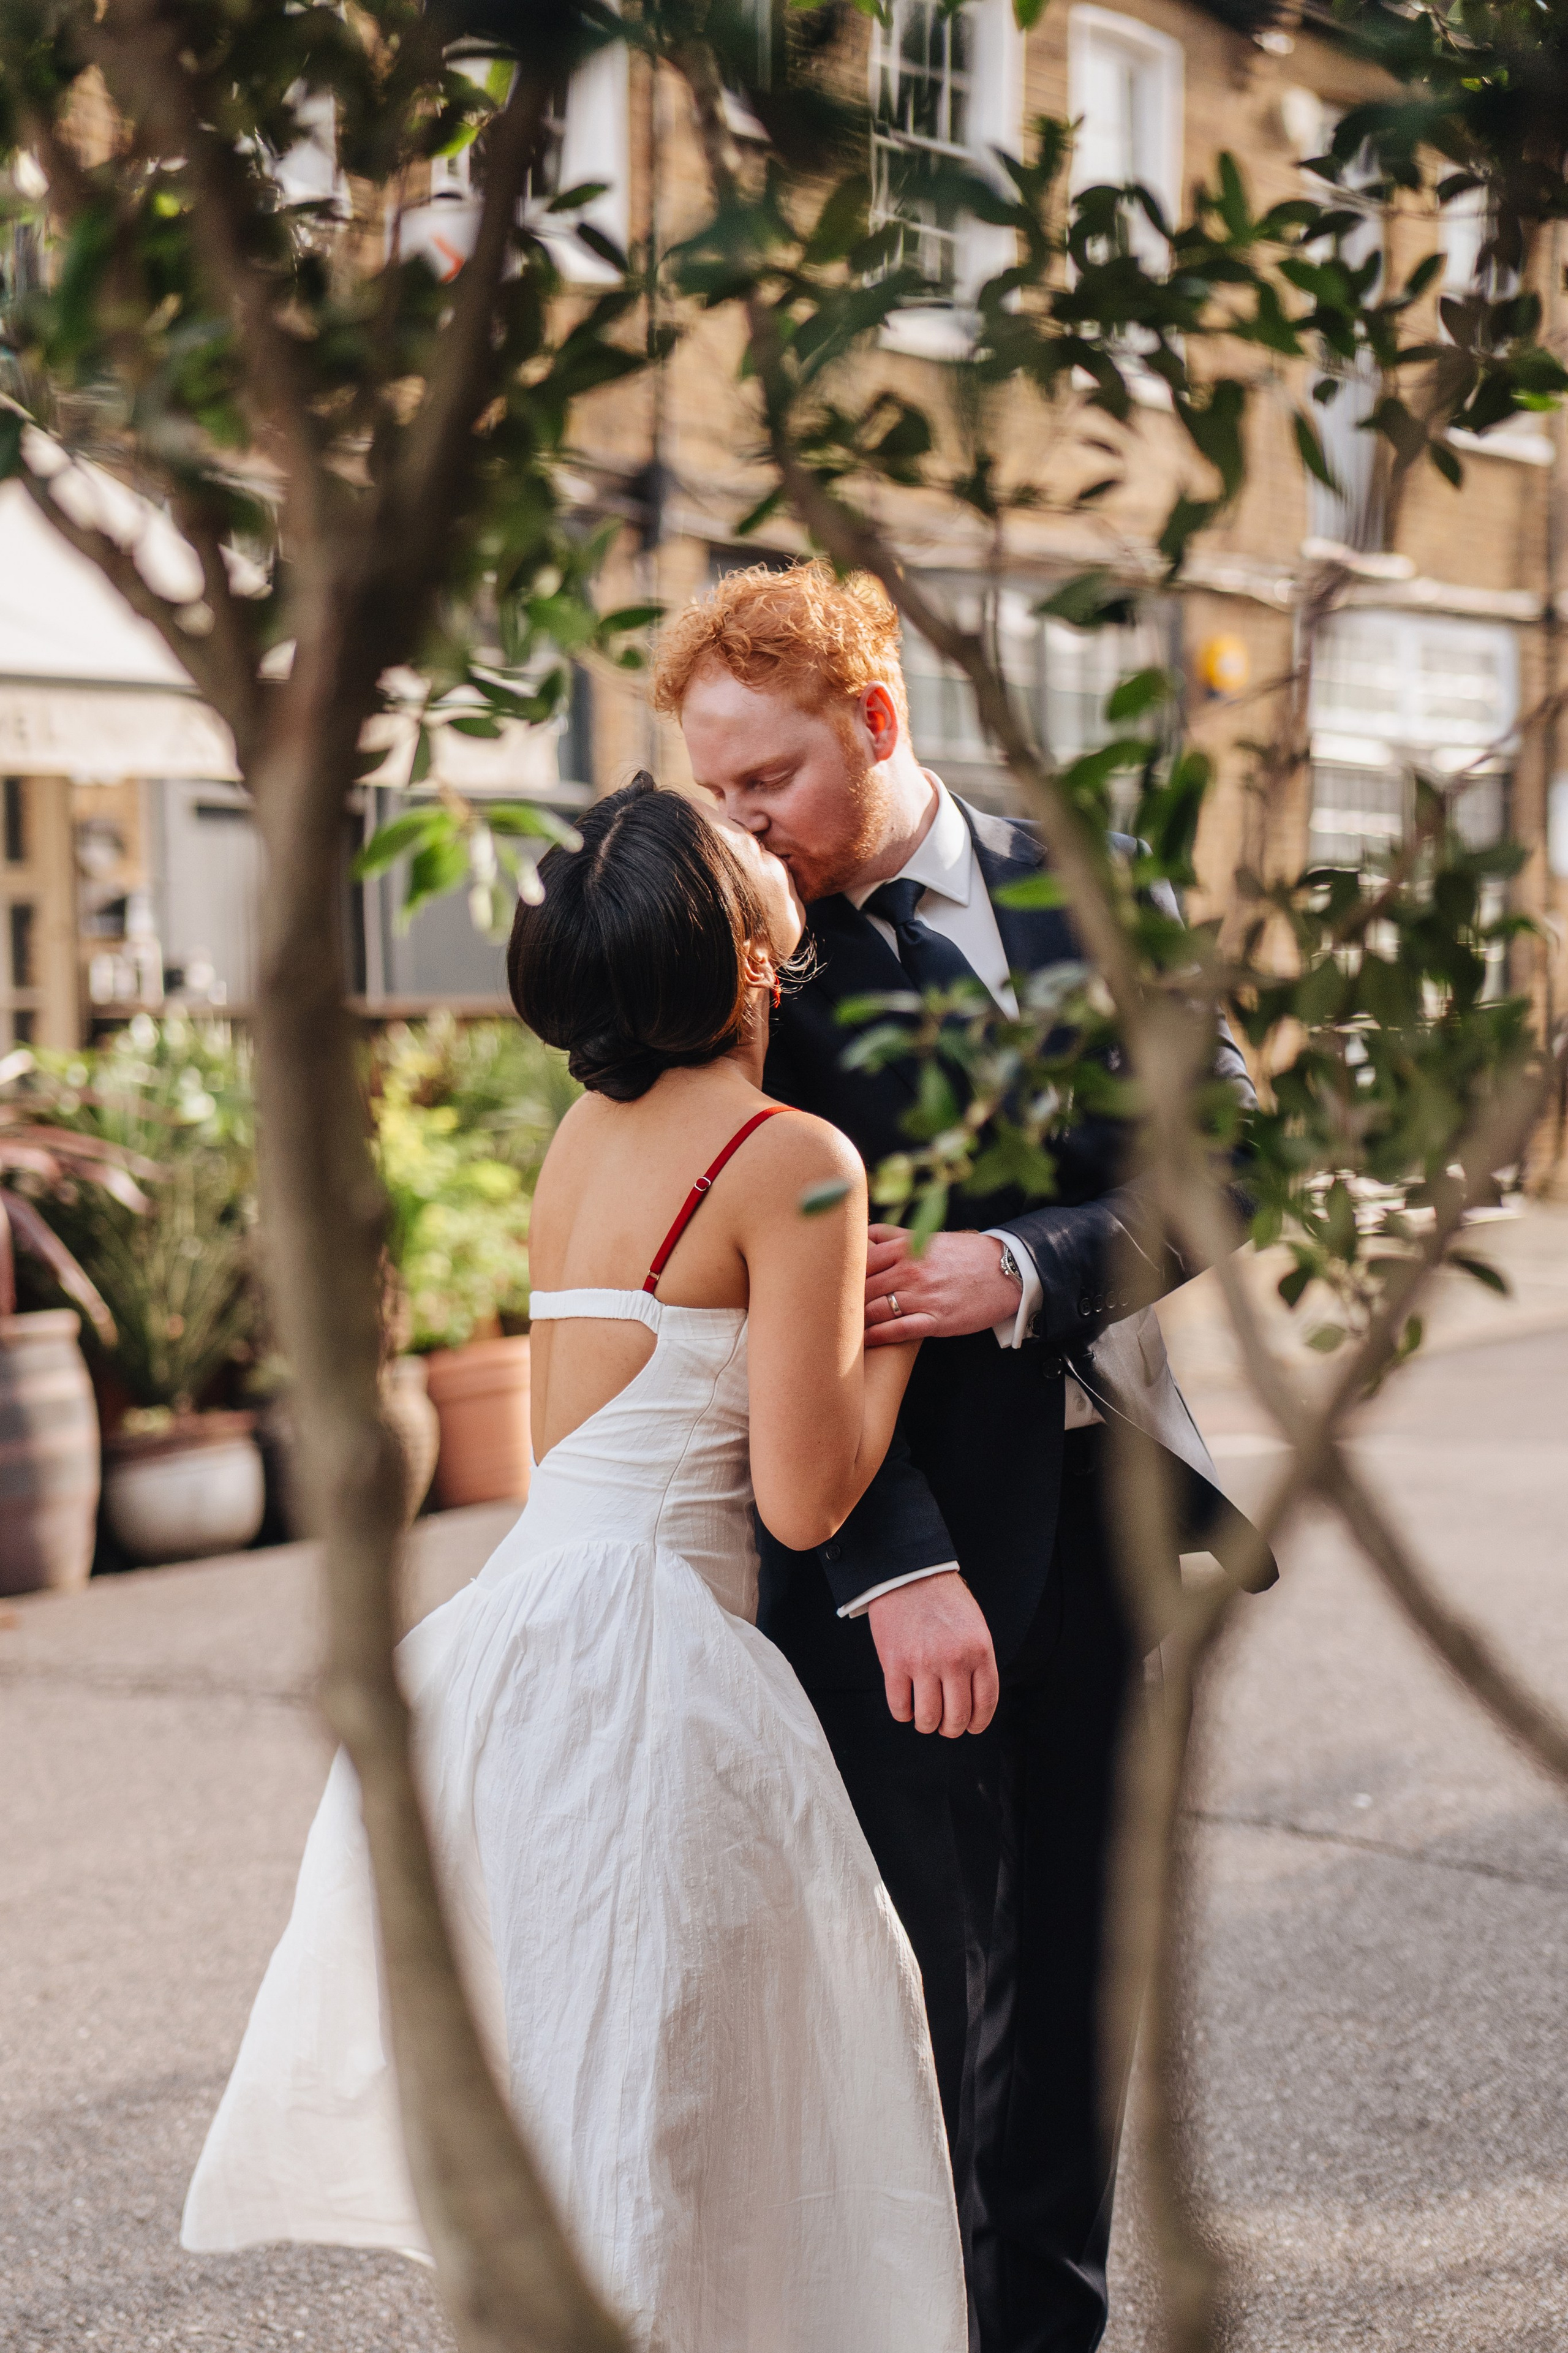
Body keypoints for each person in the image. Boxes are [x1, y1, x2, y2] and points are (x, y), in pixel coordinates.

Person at [181, 777, 967, 2353]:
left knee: (580, 2079)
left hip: (522, 1636)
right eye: (738, 848)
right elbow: (806, 1503)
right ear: (750, 961)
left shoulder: (578, 1134)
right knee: (681, 2102)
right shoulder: (792, 1155)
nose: (763, 833)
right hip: (659, 1659)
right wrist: (895, 1339)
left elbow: (580, 1433)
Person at [654, 561, 1273, 2353]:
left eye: (764, 781)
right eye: (715, 787)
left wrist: (1028, 1265)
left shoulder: (1080, 879)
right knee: (914, 2006)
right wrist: (886, 1561)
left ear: (876, 717)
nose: (740, 823)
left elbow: (1221, 1146)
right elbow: (749, 1302)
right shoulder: (747, 955)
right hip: (887, 1549)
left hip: (1113, 1519)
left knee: (1077, 1994)